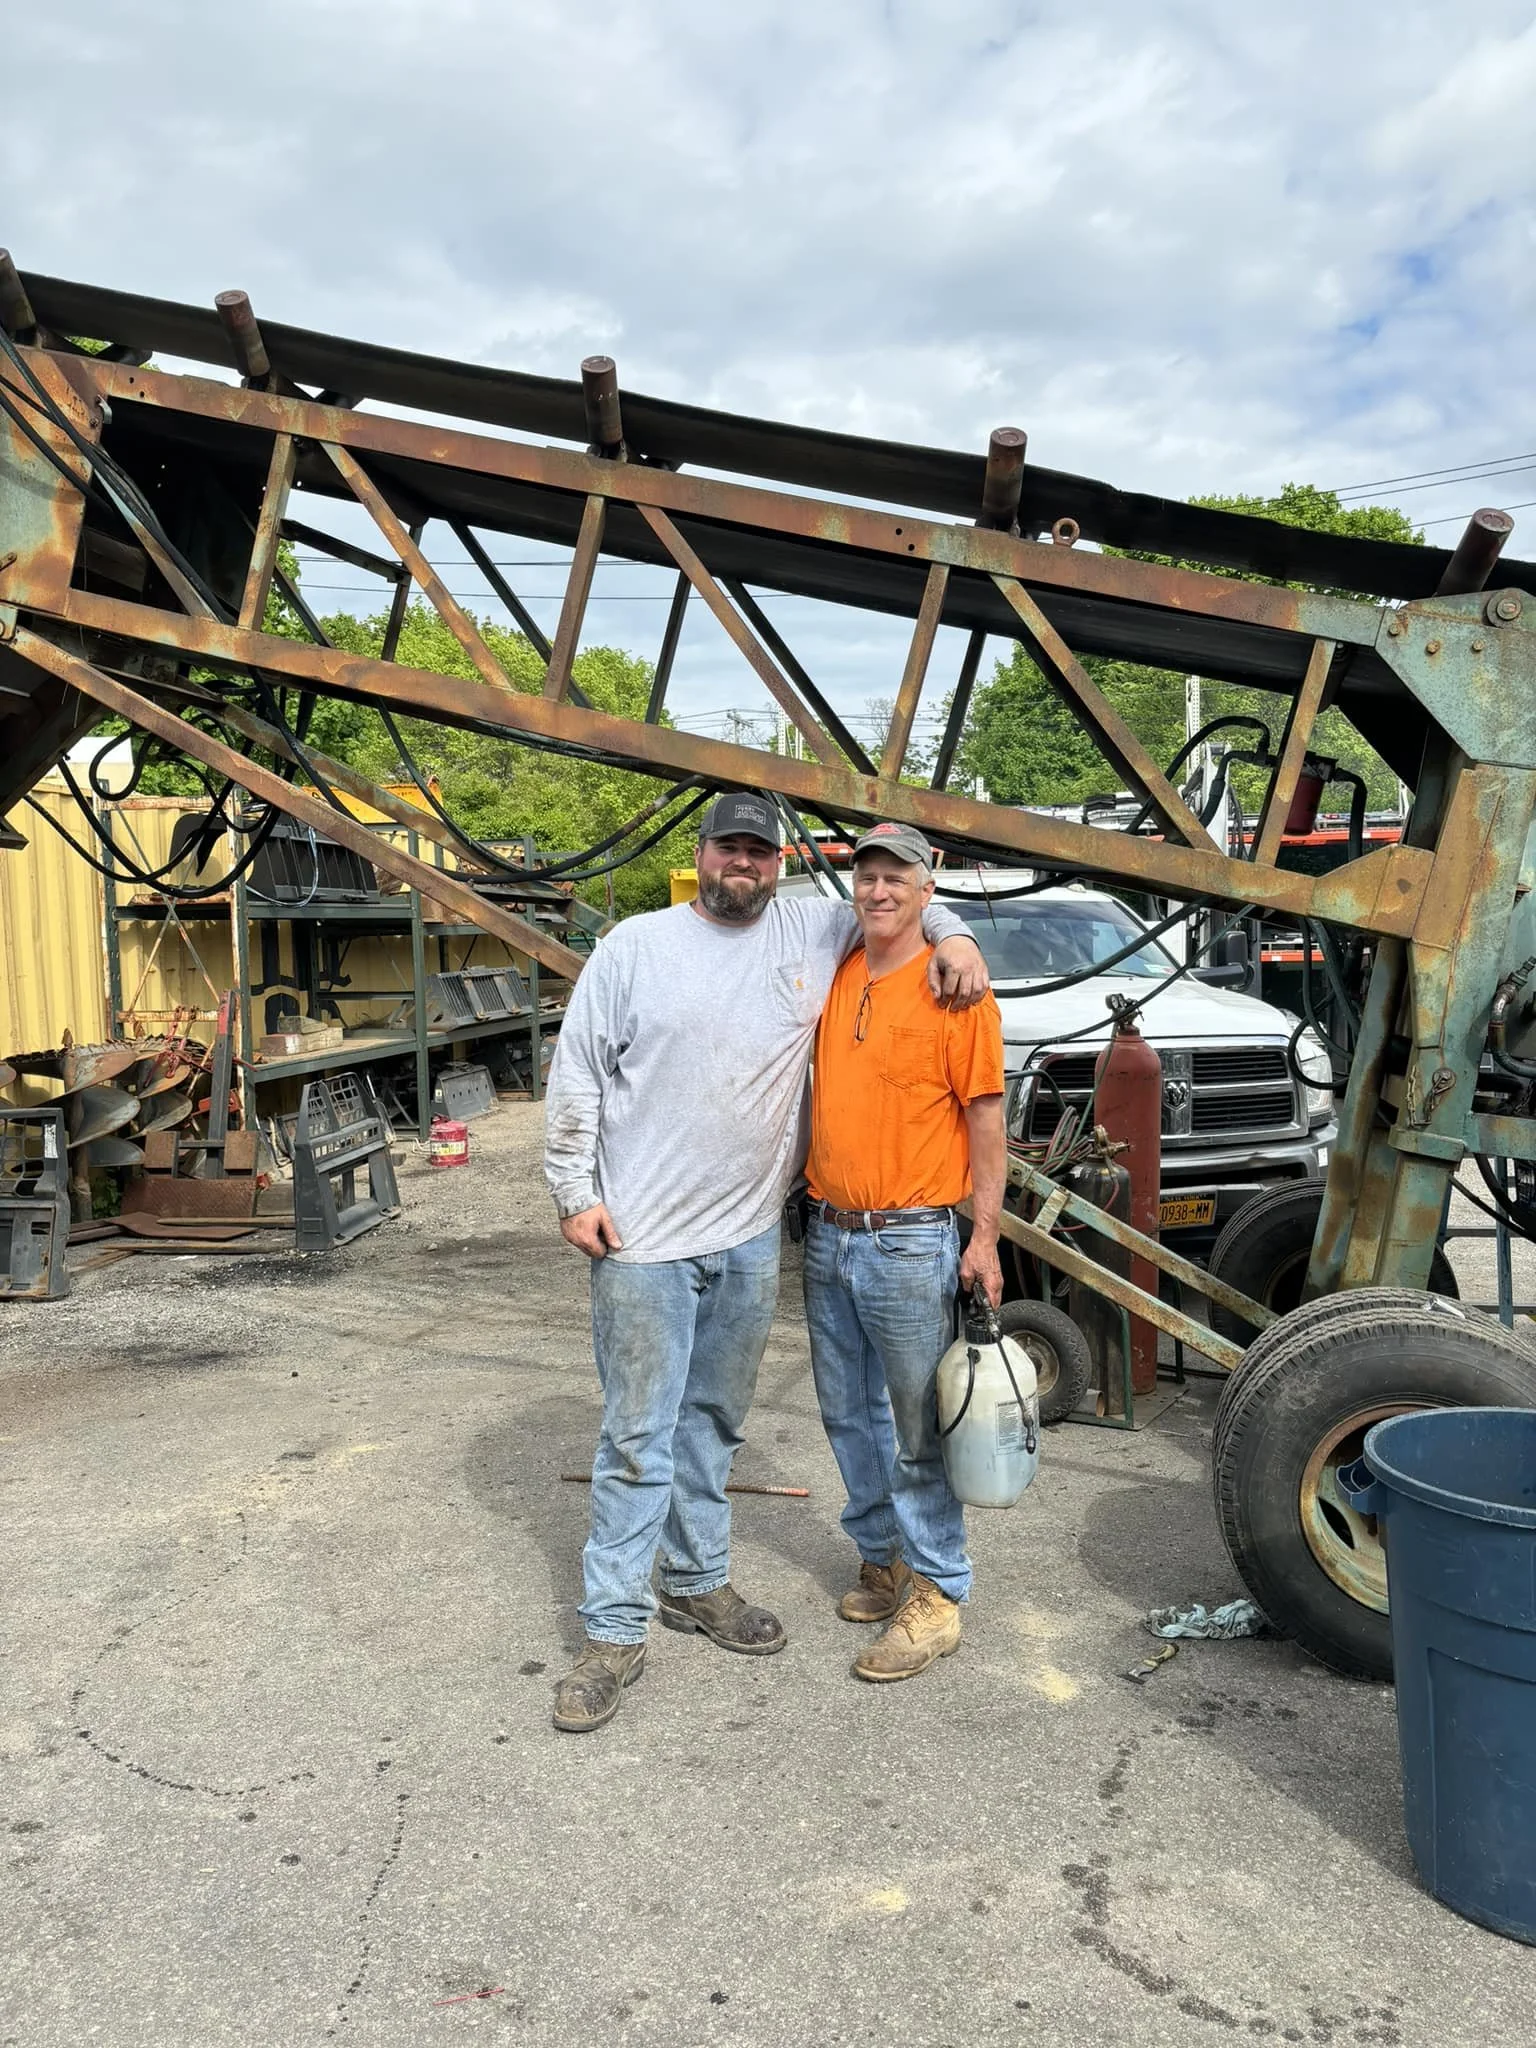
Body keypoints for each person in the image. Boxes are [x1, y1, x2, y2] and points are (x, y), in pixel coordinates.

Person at [542, 791, 990, 1733]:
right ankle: (614, 1632)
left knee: (714, 1424)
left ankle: (700, 1582)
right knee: (637, 1438)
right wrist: (573, 1191)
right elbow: (577, 1066)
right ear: (700, 854)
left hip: (752, 1239)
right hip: (644, 1244)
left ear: (779, 862)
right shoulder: (634, 945)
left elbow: (901, 896)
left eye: (758, 851)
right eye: (727, 849)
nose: (741, 864)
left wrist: (959, 938)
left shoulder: (810, 928)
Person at [802, 820, 1006, 1683]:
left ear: (930, 886)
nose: (880, 890)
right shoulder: (844, 964)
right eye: (868, 876)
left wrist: (986, 1235)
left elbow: (985, 1119)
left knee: (920, 1428)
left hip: (911, 1238)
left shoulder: (956, 993)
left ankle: (937, 1594)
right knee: (849, 1411)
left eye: (900, 878)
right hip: (827, 1232)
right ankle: (882, 1555)